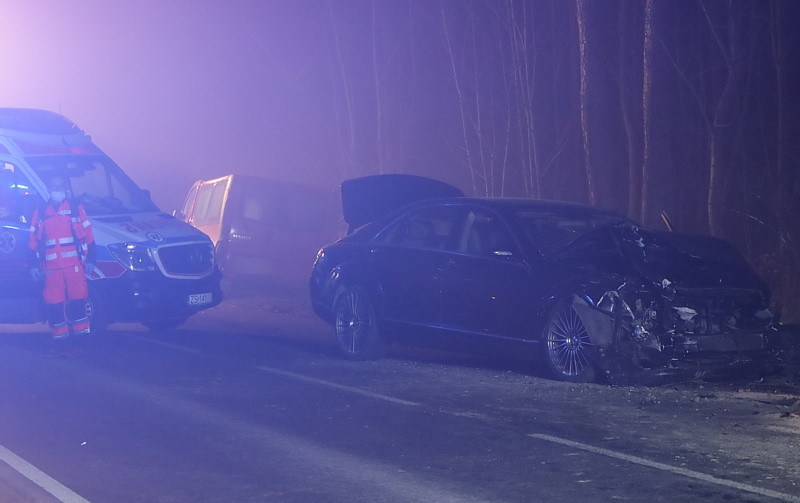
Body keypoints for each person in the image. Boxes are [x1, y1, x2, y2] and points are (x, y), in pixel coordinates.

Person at [28, 175, 96, 339]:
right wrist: (33, 265)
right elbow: (33, 240)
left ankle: (82, 335)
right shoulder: (41, 211)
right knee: (54, 301)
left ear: (65, 188)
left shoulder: (75, 208)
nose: (57, 189)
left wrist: (91, 260)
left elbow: (89, 234)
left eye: (60, 186)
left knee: (78, 298)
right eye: (53, 186)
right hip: (50, 268)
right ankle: (60, 337)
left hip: (74, 265)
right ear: (48, 188)